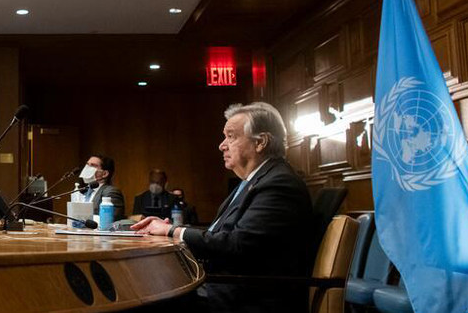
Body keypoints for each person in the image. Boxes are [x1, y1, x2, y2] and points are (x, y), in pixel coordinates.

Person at [131, 102, 315, 313]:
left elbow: (238, 245)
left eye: (231, 136)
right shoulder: (254, 181)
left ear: (260, 142)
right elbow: (221, 234)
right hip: (224, 285)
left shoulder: (279, 183)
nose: (222, 145)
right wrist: (170, 229)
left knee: (140, 300)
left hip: (242, 296)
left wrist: (173, 231)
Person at [78, 155, 125, 219]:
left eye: (93, 165)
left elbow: (112, 219)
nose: (87, 168)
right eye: (87, 164)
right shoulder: (84, 191)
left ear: (105, 174)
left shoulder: (111, 192)